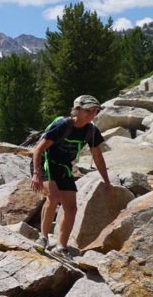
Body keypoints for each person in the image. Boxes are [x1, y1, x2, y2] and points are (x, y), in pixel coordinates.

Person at [30, 94, 114, 257]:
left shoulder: (91, 131)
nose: (92, 114)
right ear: (77, 110)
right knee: (53, 198)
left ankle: (61, 247)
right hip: (45, 162)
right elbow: (39, 149)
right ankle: (43, 238)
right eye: (88, 110)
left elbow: (97, 156)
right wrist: (36, 173)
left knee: (71, 207)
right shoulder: (63, 125)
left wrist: (107, 182)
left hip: (64, 167)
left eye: (95, 111)